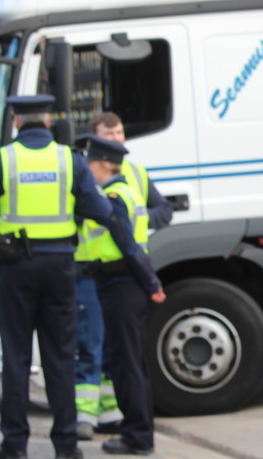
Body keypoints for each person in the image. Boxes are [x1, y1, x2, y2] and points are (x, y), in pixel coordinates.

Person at [0, 95, 145, 459]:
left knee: (15, 357)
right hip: (61, 268)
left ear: (16, 121)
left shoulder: (4, 161)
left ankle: (14, 444)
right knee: (60, 357)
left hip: (17, 270)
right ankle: (65, 446)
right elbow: (100, 209)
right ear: (48, 121)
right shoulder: (70, 160)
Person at [75, 112, 172, 440]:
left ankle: (137, 435)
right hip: (122, 282)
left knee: (126, 362)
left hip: (121, 282)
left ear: (102, 164)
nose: (86, 169)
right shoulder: (125, 192)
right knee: (130, 360)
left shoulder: (115, 197)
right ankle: (136, 430)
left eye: (90, 163)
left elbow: (128, 246)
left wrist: (152, 284)